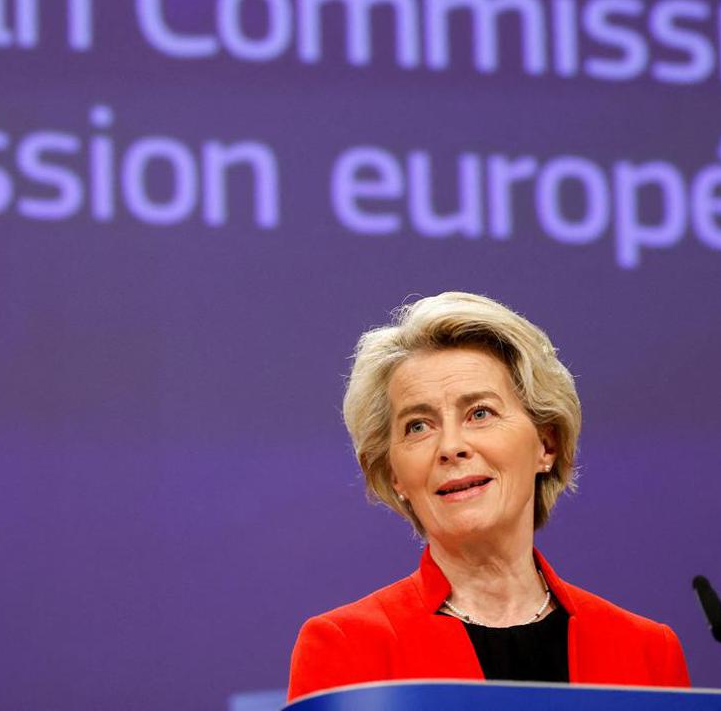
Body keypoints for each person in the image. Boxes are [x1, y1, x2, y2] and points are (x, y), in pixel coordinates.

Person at [287, 291, 689, 701]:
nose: (450, 447)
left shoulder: (648, 652)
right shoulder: (348, 648)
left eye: (480, 413)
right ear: (394, 476)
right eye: (418, 426)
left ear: (546, 445)